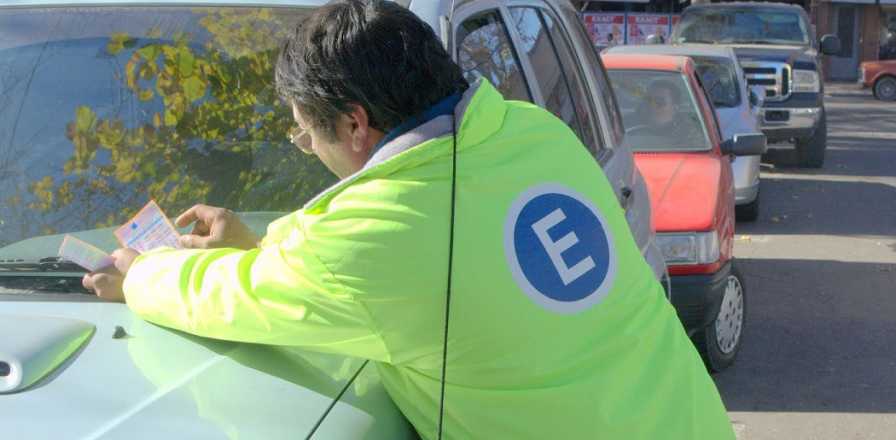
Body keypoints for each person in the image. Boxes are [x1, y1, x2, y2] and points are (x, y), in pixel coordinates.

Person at [82, 1, 734, 439]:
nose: (303, 146)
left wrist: (141, 273)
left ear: (355, 123)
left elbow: (229, 295)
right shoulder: (533, 132)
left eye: (306, 131)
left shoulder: (380, 236)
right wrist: (263, 245)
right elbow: (394, 257)